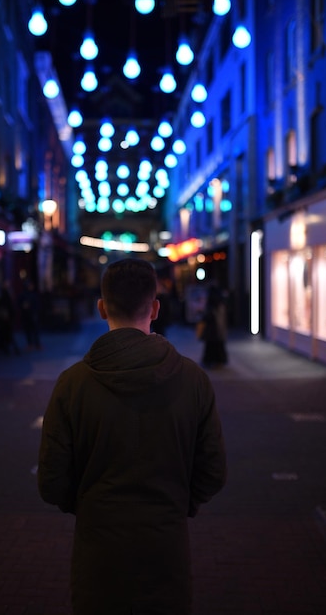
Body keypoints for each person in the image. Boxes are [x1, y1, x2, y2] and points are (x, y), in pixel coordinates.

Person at [37, 258, 227, 615]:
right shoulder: (192, 380)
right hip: (166, 548)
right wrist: (178, 503)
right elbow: (213, 472)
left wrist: (88, 506)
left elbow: (51, 481)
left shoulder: (73, 384)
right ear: (155, 308)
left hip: (98, 554)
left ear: (102, 307)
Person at [201, 285, 228, 369]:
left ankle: (212, 361)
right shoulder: (220, 304)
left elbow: (208, 317)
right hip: (218, 331)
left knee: (212, 346)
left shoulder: (212, 305)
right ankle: (218, 361)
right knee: (217, 346)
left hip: (213, 330)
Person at [0, 281, 20, 355]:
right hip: (5, 317)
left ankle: (9, 349)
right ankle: (12, 349)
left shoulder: (4, 295)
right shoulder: (4, 295)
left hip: (6, 317)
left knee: (7, 334)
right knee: (8, 334)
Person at [18, 279, 41, 350]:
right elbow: (19, 303)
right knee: (28, 330)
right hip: (26, 315)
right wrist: (23, 306)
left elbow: (37, 304)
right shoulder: (23, 295)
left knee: (35, 330)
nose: (31, 287)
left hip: (32, 314)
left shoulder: (33, 294)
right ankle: (30, 344)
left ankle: (37, 344)